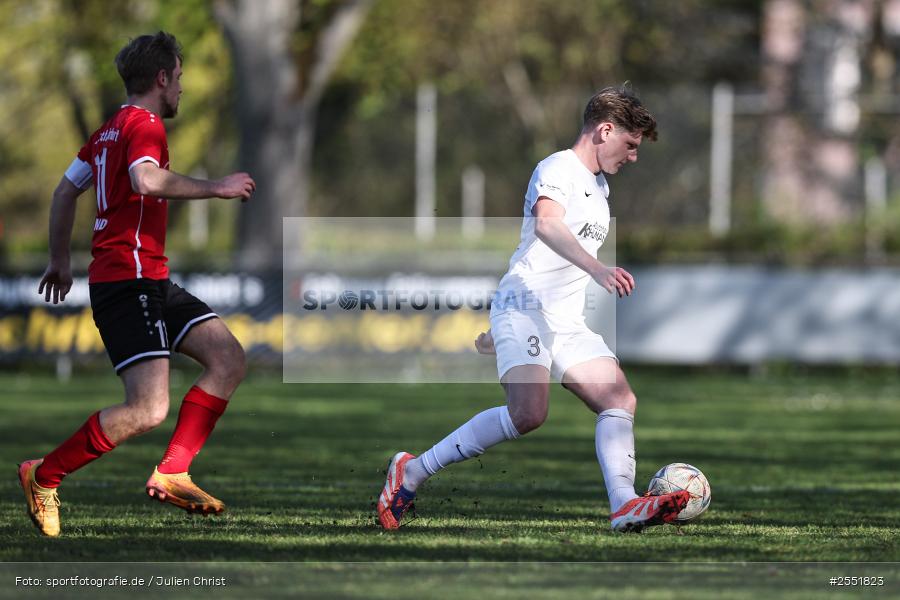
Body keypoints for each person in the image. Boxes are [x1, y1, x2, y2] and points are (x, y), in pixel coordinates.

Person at [377, 85, 689, 533]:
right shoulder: (559, 166)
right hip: (524, 308)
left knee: (618, 398)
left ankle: (625, 504)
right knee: (528, 414)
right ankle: (412, 471)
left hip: (563, 319)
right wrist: (597, 269)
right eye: (631, 145)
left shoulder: (599, 186)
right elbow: (546, 225)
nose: (633, 157)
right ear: (605, 131)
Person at [19, 32, 256, 537]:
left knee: (228, 358)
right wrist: (216, 187)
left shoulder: (107, 131)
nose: (182, 90)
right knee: (148, 408)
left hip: (149, 277)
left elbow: (65, 191)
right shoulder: (145, 125)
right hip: (127, 282)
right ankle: (43, 476)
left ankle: (173, 471)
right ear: (162, 78)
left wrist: (60, 261)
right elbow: (147, 180)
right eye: (180, 78)